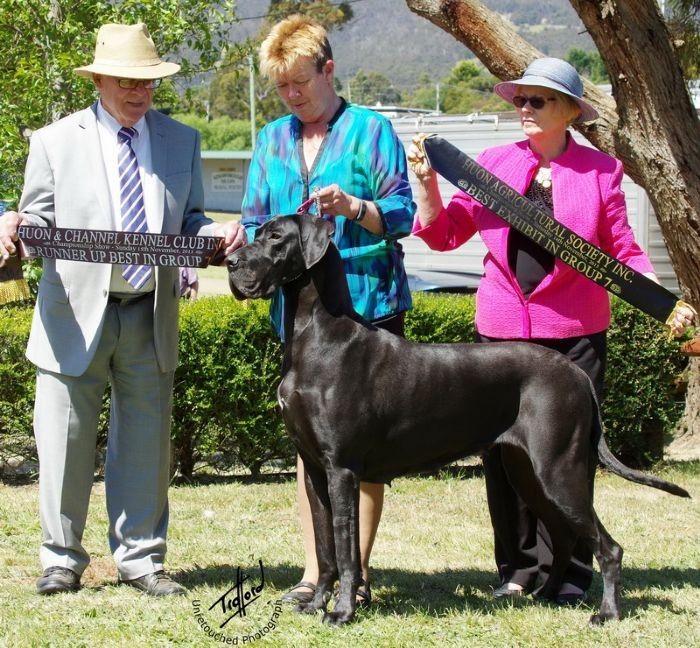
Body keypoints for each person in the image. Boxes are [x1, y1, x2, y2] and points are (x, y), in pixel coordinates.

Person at [407, 57, 694, 605]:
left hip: (575, 335)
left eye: (538, 100)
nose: (525, 108)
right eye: (520, 99)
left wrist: (661, 303)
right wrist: (427, 185)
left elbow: (622, 249)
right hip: (502, 336)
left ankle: (570, 574)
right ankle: (517, 570)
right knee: (502, 455)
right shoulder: (490, 165)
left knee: (568, 458)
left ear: (569, 111)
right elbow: (445, 236)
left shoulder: (601, 171)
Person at [0, 22, 246, 596]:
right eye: (128, 82)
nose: (140, 92)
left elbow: (190, 220)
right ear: (99, 81)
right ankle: (61, 559)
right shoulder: (53, 141)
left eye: (148, 82)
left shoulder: (182, 139)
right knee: (64, 440)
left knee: (145, 443)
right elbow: (38, 220)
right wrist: (13, 223)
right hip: (71, 312)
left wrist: (214, 234)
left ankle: (141, 561)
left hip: (149, 311)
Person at [241, 15, 415, 607]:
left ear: (329, 70)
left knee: (360, 448)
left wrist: (354, 206)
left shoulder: (371, 130)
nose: (292, 95)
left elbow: (403, 214)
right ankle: (316, 572)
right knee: (311, 445)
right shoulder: (270, 139)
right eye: (281, 86)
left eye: (300, 82)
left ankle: (354, 574)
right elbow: (255, 220)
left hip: (367, 308)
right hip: (299, 322)